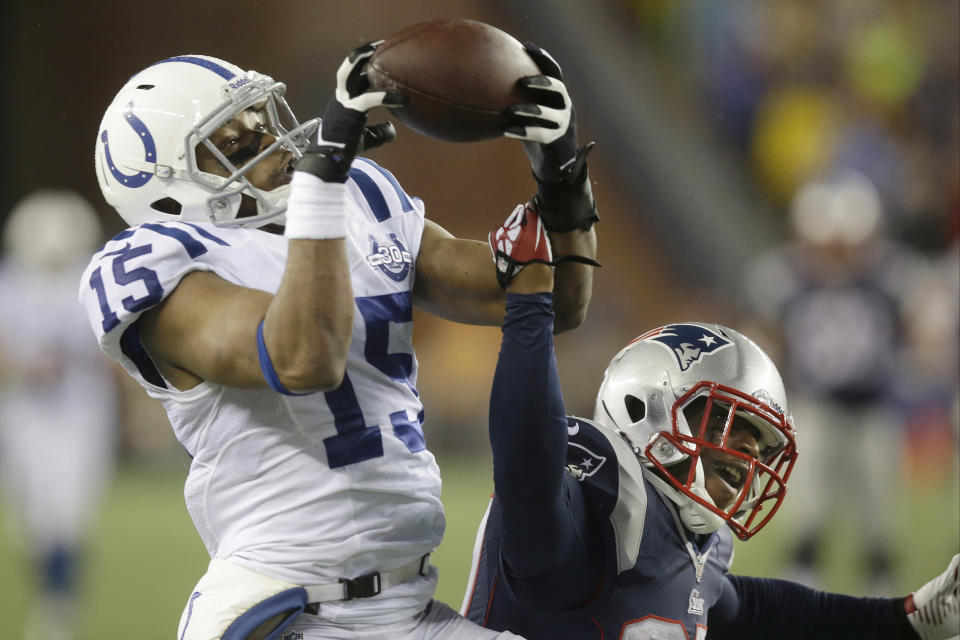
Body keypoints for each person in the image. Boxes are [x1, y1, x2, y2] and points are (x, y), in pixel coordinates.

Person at [78, 39, 597, 640]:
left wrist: (560, 172)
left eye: (262, 122)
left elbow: (553, 301)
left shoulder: (358, 196)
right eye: (236, 145)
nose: (271, 144)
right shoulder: (160, 261)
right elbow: (301, 356)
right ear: (167, 190)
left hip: (409, 605)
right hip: (285, 610)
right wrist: (321, 187)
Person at [460, 205, 959, 639]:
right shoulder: (602, 506)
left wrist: (909, 618)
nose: (749, 455)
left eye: (759, 442)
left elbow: (760, 614)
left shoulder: (697, 540)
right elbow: (528, 467)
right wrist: (529, 307)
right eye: (724, 421)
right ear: (643, 407)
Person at [741, 168, 931, 593]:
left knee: (879, 515)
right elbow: (762, 331)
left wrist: (911, 355)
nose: (836, 254)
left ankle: (880, 590)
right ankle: (803, 585)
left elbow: (921, 321)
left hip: (873, 405)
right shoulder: (787, 277)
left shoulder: (887, 276)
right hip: (814, 406)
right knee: (806, 507)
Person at [0, 189, 118, 640]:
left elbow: (112, 353)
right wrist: (26, 366)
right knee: (29, 521)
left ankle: (59, 607)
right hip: (25, 412)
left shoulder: (89, 279)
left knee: (67, 514)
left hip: (79, 411)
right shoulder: (12, 281)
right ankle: (52, 597)